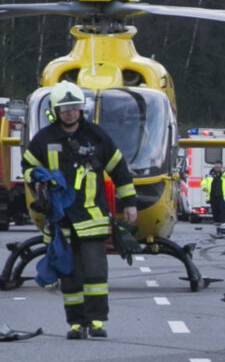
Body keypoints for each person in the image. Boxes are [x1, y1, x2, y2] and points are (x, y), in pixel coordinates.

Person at [21, 81, 137, 340]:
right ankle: (76, 324)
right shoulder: (44, 139)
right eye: (64, 108)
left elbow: (119, 169)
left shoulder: (96, 137)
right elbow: (27, 167)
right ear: (56, 110)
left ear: (80, 109)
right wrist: (37, 178)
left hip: (91, 218)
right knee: (69, 275)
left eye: (74, 107)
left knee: (95, 274)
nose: (70, 112)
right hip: (61, 220)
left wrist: (129, 203)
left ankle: (96, 322)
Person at [200, 161, 225, 237]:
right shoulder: (209, 175)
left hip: (223, 197)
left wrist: (223, 173)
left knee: (223, 214)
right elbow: (203, 183)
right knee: (216, 214)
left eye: (219, 167)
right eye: (216, 167)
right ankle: (218, 230)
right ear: (214, 167)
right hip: (213, 198)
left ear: (221, 167)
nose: (217, 168)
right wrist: (204, 187)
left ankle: (223, 231)